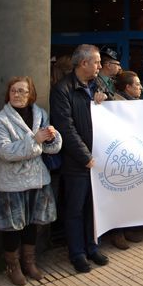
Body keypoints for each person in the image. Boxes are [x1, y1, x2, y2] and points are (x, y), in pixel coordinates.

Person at [0, 76, 62, 285]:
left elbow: (50, 148)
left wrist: (52, 137)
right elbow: (4, 151)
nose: (18, 95)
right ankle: (13, 265)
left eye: (23, 91)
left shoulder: (40, 114)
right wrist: (35, 140)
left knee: (32, 224)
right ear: (8, 94)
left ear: (31, 94)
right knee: (12, 227)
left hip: (36, 179)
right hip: (11, 182)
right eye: (14, 91)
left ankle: (30, 262)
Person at [50, 44, 110, 273]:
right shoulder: (62, 90)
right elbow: (66, 127)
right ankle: (77, 253)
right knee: (75, 208)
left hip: (97, 159)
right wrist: (85, 156)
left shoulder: (96, 85)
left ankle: (92, 247)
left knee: (92, 208)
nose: (100, 66)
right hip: (77, 162)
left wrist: (103, 99)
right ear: (83, 63)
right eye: (96, 62)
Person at [109, 70, 143, 249]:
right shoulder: (115, 104)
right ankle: (117, 232)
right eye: (137, 85)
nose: (141, 88)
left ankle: (130, 227)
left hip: (135, 154)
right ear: (128, 87)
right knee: (120, 195)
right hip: (121, 156)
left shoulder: (137, 103)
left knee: (133, 194)